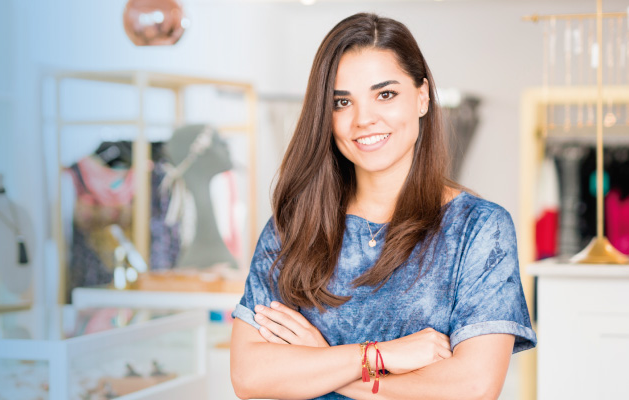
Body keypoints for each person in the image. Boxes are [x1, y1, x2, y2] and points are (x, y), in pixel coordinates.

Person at [228, 13, 534, 400]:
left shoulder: (479, 228)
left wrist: (323, 360)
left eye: (385, 94)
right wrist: (384, 355)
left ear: (422, 96)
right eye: (342, 102)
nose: (364, 119)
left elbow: (473, 387)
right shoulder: (293, 226)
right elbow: (250, 376)